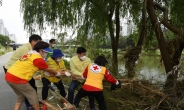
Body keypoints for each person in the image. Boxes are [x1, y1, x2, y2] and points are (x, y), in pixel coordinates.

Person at [5, 41, 65, 110]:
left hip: (9, 75)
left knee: (21, 95)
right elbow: (49, 69)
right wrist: (57, 73)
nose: (47, 54)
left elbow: (41, 68)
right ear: (41, 50)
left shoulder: (30, 54)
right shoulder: (38, 59)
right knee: (32, 93)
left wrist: (49, 73)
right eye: (46, 52)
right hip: (18, 78)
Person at [3, 34, 42, 109]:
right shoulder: (27, 49)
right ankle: (30, 105)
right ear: (33, 41)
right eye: (38, 42)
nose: (39, 45)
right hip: (11, 69)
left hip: (14, 70)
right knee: (30, 88)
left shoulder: (29, 48)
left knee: (23, 91)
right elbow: (28, 64)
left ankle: (31, 103)